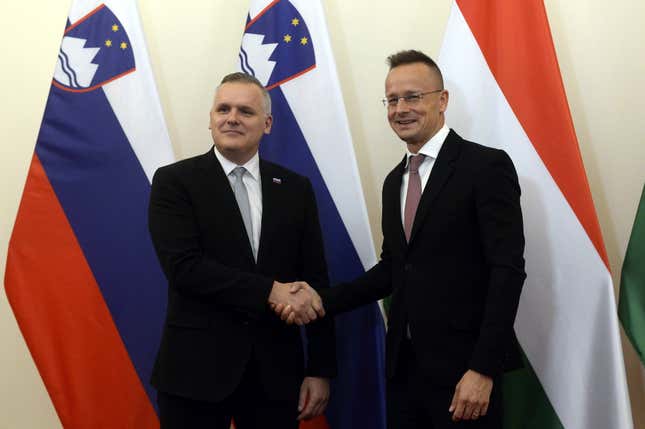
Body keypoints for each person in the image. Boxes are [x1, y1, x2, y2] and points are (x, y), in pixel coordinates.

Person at [276, 50, 526, 428]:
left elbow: (506, 271)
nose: (400, 109)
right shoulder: (396, 180)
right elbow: (394, 269)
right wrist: (319, 300)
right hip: (405, 373)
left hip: (465, 375)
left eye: (412, 97)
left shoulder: (485, 166)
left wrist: (483, 368)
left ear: (442, 101)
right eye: (392, 100)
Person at [148, 72, 336, 429]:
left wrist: (321, 369)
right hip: (194, 374)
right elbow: (185, 269)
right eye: (223, 108)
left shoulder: (295, 188)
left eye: (245, 111)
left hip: (276, 375)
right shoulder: (174, 182)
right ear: (210, 119)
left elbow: (315, 280)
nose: (232, 117)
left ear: (267, 124)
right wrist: (271, 290)